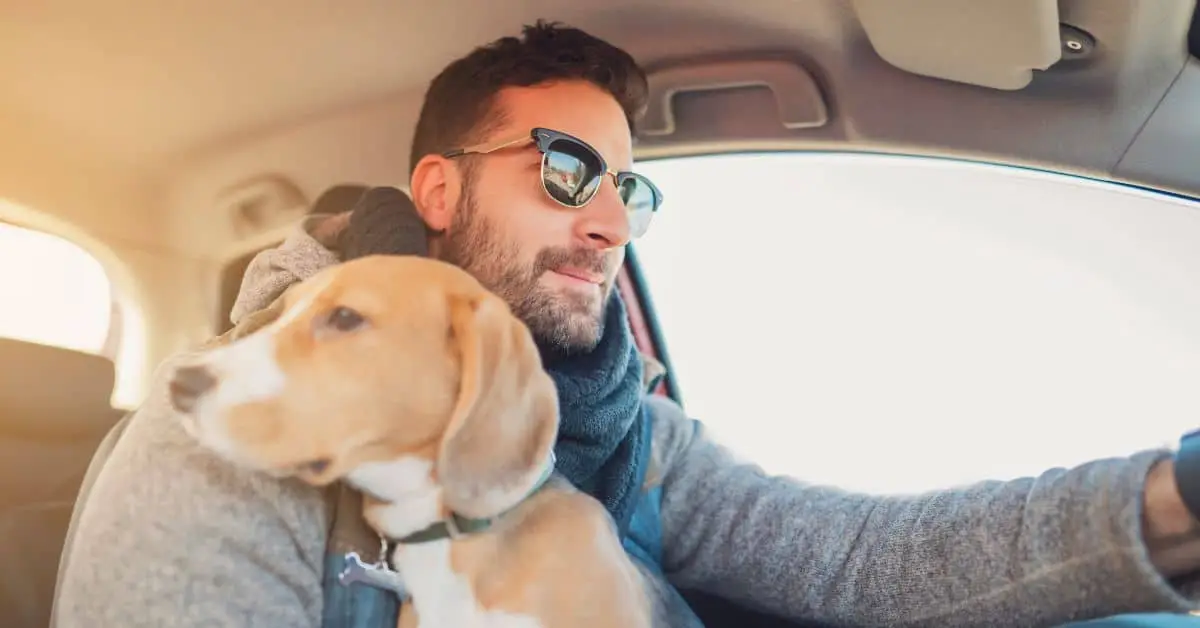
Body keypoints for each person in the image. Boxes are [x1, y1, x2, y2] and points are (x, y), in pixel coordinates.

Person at [52, 20, 1200, 628]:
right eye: (565, 171)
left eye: (627, 190)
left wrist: (1174, 501)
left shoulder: (635, 433)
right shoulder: (220, 437)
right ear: (441, 194)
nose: (609, 224)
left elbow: (861, 556)